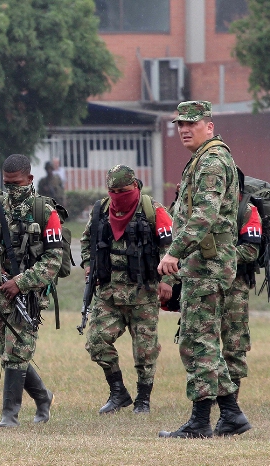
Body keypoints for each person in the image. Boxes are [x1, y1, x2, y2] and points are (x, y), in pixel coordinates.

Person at [157, 101, 251, 438]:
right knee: (202, 340)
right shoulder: (203, 158)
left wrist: (174, 252)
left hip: (207, 265)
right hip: (205, 264)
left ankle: (200, 422)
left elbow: (204, 216)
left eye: (192, 124)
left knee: (197, 342)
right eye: (180, 124)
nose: (184, 129)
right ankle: (231, 415)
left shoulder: (211, 161)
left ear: (209, 126)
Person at [80, 165, 173, 415]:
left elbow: (171, 248)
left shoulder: (153, 210)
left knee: (145, 350)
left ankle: (143, 399)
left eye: (123, 190)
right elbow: (86, 241)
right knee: (96, 342)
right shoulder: (100, 211)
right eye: (113, 191)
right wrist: (89, 265)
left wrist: (168, 280)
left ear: (135, 185)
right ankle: (118, 392)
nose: (118, 196)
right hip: (109, 293)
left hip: (144, 293)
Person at [0, 154, 58, 427]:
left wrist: (21, 282)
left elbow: (53, 260)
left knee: (17, 351)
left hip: (29, 294)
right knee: (7, 350)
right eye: (7, 184)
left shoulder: (45, 211)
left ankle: (9, 415)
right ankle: (43, 396)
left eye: (17, 183)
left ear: (30, 179)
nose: (12, 189)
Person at [222, 171, 262, 402]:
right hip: (207, 284)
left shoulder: (247, 210)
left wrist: (219, 257)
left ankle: (231, 401)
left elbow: (250, 250)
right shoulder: (205, 211)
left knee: (234, 342)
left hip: (235, 286)